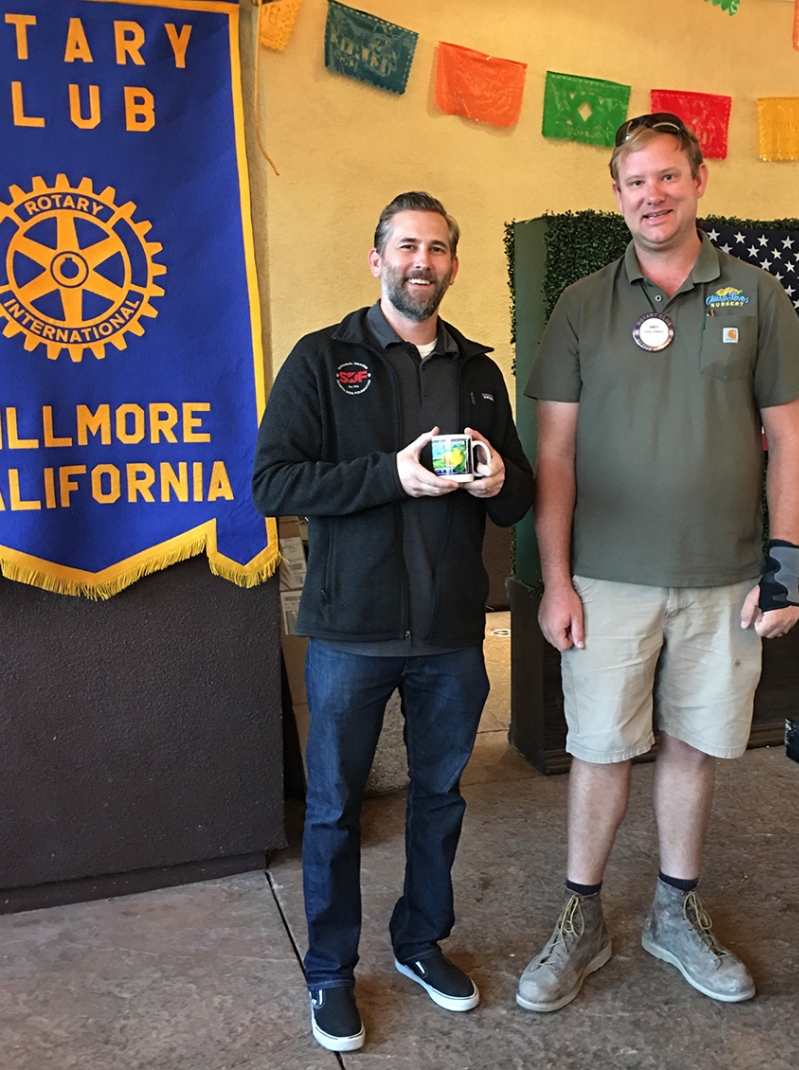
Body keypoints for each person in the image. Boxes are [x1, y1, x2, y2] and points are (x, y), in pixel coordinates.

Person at [516, 114, 799, 1013]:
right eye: (634, 182)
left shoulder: (757, 297)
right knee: (601, 748)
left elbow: (790, 446)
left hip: (726, 579)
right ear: (616, 196)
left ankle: (673, 914)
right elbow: (558, 455)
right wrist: (558, 579)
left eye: (666, 177)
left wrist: (784, 568)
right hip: (607, 580)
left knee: (694, 747)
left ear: (699, 181)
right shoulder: (581, 303)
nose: (651, 196)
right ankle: (582, 917)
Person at [252, 191, 533, 1052]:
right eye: (407, 246)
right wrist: (389, 475)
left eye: (439, 248)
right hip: (350, 636)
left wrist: (493, 484)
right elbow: (274, 484)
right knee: (334, 810)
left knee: (439, 799)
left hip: (452, 637)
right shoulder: (320, 358)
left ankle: (418, 943)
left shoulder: (479, 372)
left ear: (453, 263)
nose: (424, 261)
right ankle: (331, 973)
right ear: (377, 259)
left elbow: (520, 492)